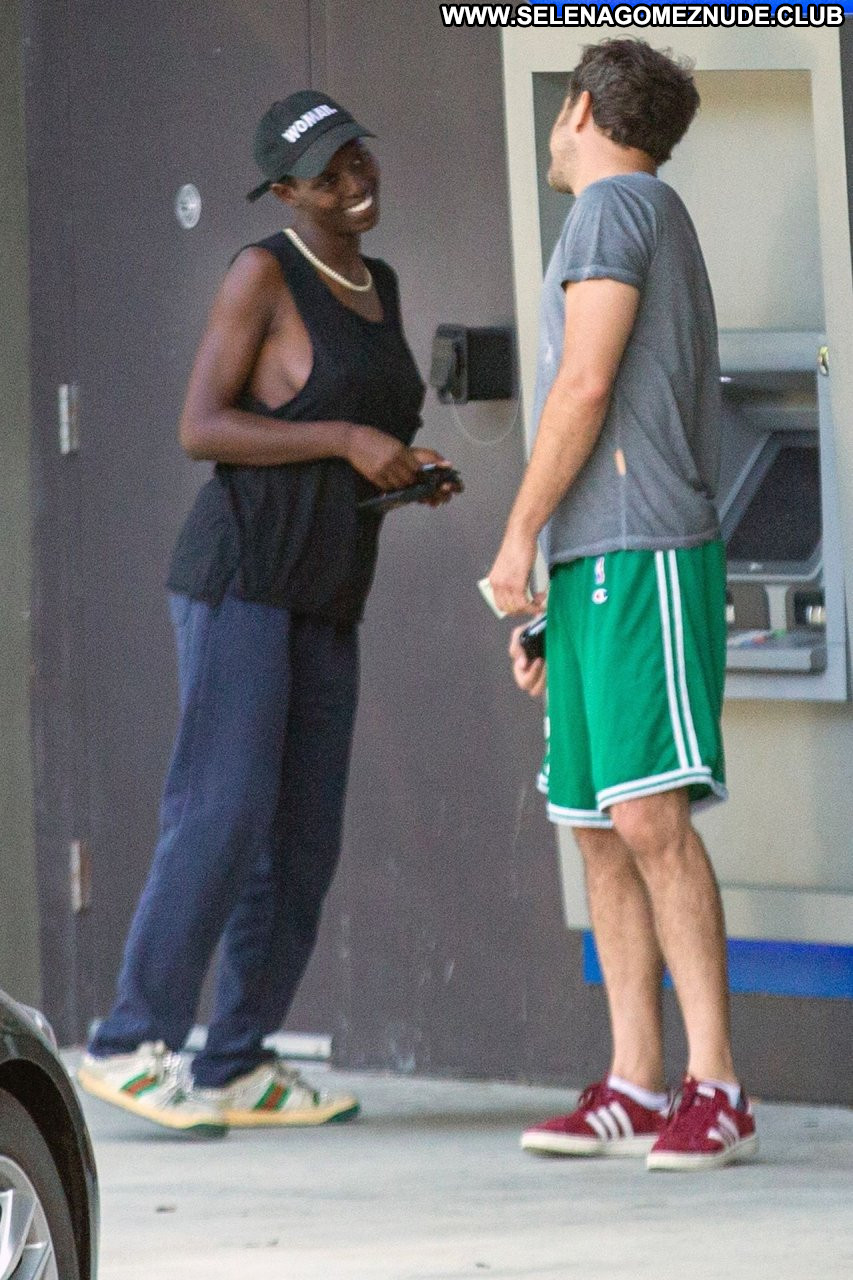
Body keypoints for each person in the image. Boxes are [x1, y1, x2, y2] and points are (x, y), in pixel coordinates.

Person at [78, 90, 457, 1135]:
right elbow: (203, 427)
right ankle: (127, 1040)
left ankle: (235, 1060)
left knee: (303, 837)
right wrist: (344, 440)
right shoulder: (262, 272)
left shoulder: (378, 282)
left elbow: (359, 428)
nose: (355, 182)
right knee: (223, 809)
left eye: (358, 158)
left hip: (327, 588)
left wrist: (404, 467)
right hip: (240, 577)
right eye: (328, 174)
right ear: (286, 192)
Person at [487, 40, 757, 1171]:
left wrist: (517, 533)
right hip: (598, 562)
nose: (552, 135)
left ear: (583, 109)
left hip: (643, 553)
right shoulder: (640, 213)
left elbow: (583, 385)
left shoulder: (611, 210)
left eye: (559, 114)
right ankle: (636, 1082)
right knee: (596, 823)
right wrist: (552, 590)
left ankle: (716, 1085)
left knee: (647, 818)